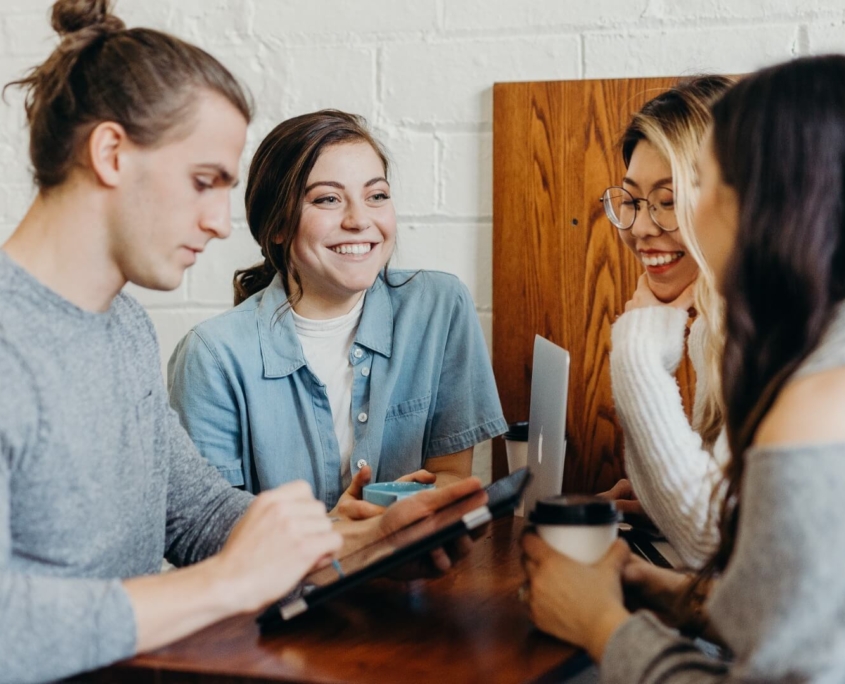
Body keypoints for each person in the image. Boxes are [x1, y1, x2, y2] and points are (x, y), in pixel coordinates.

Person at [0, 3, 483, 682]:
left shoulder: (123, 328)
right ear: (110, 154)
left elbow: (195, 513)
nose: (221, 221)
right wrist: (230, 582)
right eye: (204, 182)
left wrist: (352, 540)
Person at [522, 54, 845, 681]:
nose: (648, 227)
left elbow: (712, 545)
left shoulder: (814, 398)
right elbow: (796, 613)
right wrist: (679, 598)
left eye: (701, 186)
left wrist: (601, 626)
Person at [167, 109, 507, 517]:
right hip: (287, 581)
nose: (360, 220)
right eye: (328, 199)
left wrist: (402, 509)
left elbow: (451, 475)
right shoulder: (212, 355)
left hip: (412, 573)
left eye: (376, 196)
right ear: (276, 225)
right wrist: (340, 533)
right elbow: (210, 530)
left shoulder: (439, 307)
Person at [597, 76, 734, 568]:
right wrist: (660, 502)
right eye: (631, 200)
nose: (640, 227)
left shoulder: (771, 333)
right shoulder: (714, 327)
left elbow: (711, 542)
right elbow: (724, 523)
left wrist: (637, 351)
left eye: (669, 200)